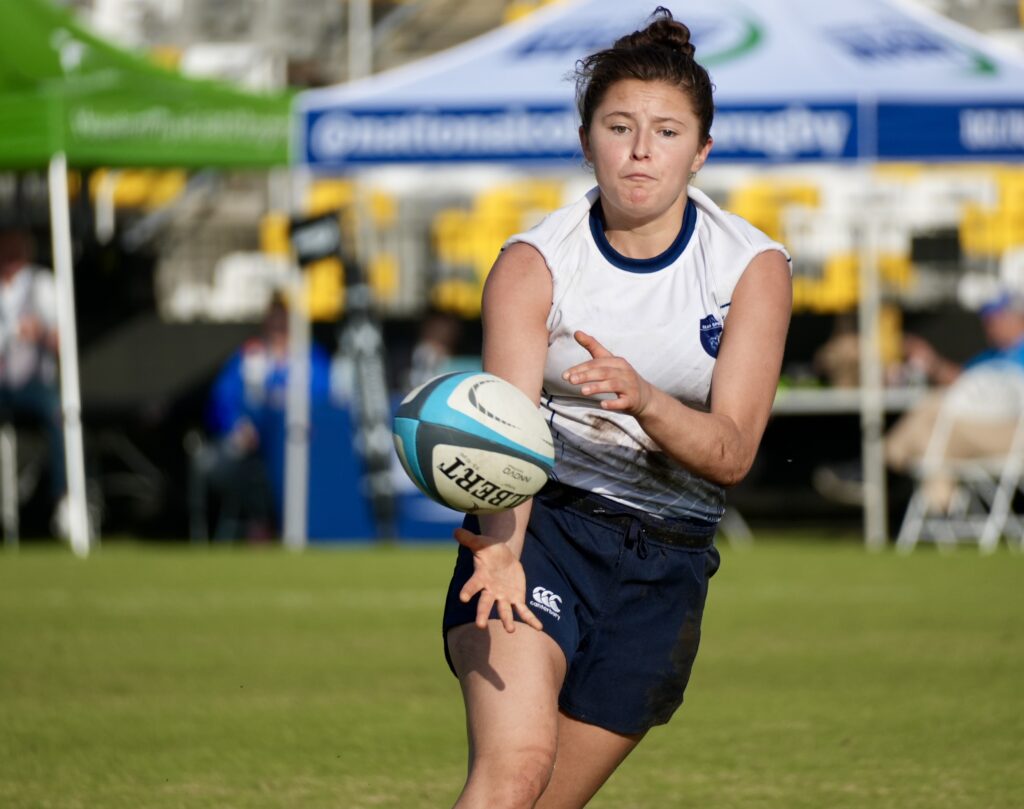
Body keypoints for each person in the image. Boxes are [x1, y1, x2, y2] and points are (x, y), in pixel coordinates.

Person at [440, 10, 793, 808]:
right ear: (585, 137)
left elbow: (733, 452)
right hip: (545, 532)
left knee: (550, 800)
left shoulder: (752, 267)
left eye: (667, 131)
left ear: (701, 150)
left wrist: (645, 400)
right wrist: (499, 551)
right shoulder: (534, 263)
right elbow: (508, 436)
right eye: (620, 126)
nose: (641, 150)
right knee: (514, 772)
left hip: (668, 560)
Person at [814, 291, 1024, 510]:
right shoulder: (991, 355)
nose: (989, 325)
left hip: (1013, 432)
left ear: (1016, 317)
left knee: (933, 411)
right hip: (974, 431)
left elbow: (970, 389)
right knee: (931, 432)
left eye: (996, 318)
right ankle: (940, 501)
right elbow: (965, 384)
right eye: (988, 319)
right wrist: (929, 361)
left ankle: (879, 472)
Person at [190, 293, 331, 541]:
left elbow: (326, 398)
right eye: (273, 320)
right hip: (250, 451)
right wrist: (236, 426)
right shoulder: (247, 357)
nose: (278, 327)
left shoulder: (310, 358)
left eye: (283, 320)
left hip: (300, 449)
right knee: (216, 464)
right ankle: (259, 523)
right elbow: (221, 401)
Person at [0, 226, 68, 536]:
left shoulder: (42, 285)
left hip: (33, 383)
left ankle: (64, 498)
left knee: (60, 413)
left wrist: (38, 332)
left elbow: (63, 339)